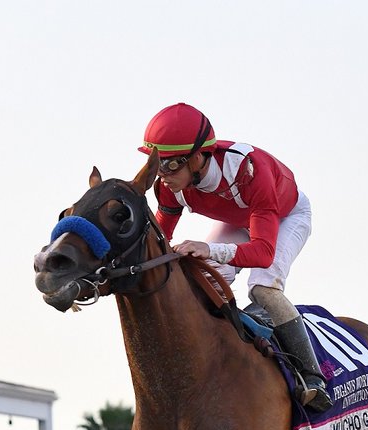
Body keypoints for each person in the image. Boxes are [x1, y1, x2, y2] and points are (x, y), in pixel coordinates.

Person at [139, 102, 330, 412]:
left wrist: (210, 249)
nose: (163, 175)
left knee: (263, 288)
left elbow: (263, 253)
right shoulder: (169, 187)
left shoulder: (249, 171)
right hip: (240, 220)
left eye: (171, 165)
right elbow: (159, 241)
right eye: (157, 164)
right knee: (202, 281)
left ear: (197, 157)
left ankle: (313, 379)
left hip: (285, 217)